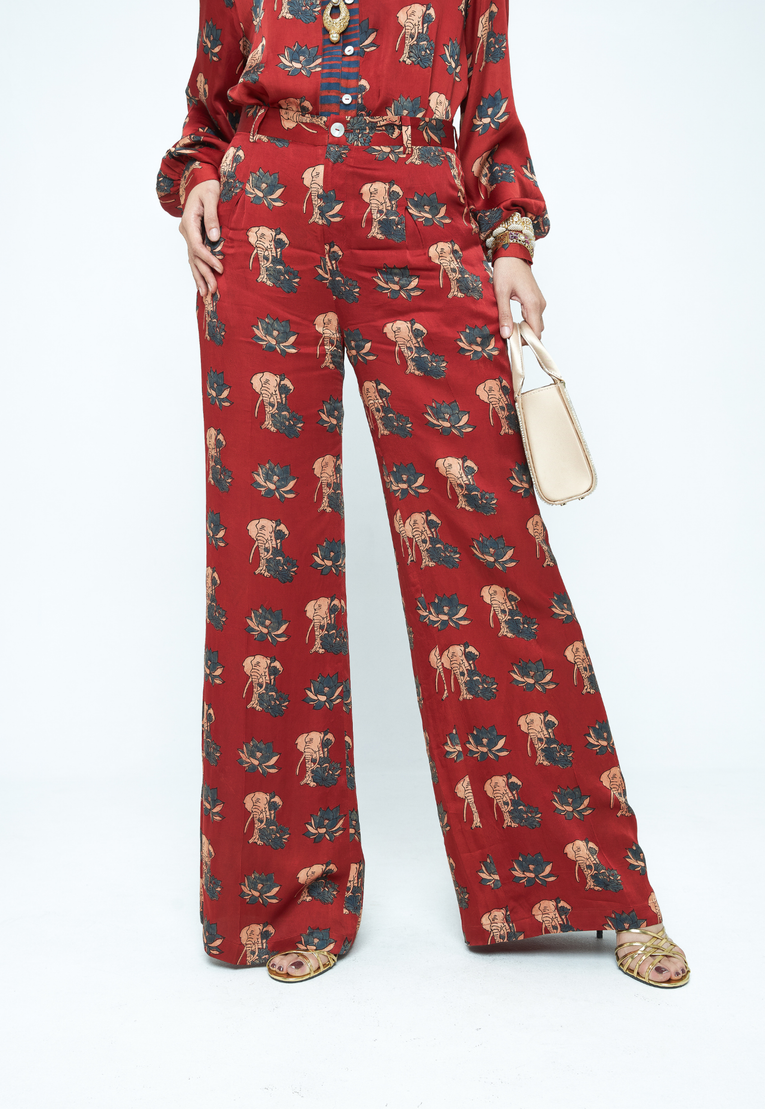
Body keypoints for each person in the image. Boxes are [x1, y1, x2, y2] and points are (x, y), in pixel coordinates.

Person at [156, 0, 689, 988]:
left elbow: (488, 100)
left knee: (492, 544)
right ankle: (282, 896)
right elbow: (208, 104)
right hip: (263, 224)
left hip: (418, 213)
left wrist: (510, 242)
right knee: (267, 562)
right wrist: (198, 179)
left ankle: (598, 889)